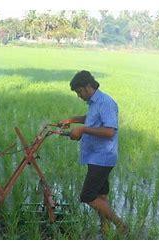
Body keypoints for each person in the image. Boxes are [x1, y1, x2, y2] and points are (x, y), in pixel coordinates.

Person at [59, 70, 128, 236]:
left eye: (79, 91)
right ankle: (105, 228)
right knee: (101, 195)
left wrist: (82, 130)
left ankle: (121, 225)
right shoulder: (93, 103)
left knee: (88, 196)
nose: (79, 95)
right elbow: (91, 118)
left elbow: (110, 131)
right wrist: (72, 120)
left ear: (89, 86)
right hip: (95, 156)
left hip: (103, 157)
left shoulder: (105, 102)